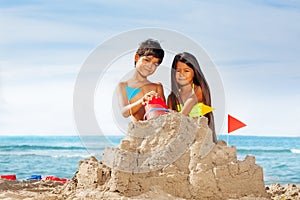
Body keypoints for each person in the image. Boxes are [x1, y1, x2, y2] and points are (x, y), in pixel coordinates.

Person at [167, 52, 217, 143]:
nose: (182, 74)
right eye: (178, 71)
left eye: (186, 71)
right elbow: (170, 121)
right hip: (182, 139)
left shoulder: (199, 90)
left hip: (200, 139)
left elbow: (186, 108)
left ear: (194, 72)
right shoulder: (172, 98)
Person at [118, 39, 166, 121]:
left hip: (155, 131)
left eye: (155, 64)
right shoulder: (124, 85)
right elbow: (125, 112)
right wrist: (142, 100)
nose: (150, 66)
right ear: (137, 57)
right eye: (147, 60)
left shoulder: (157, 87)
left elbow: (164, 114)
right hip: (137, 131)